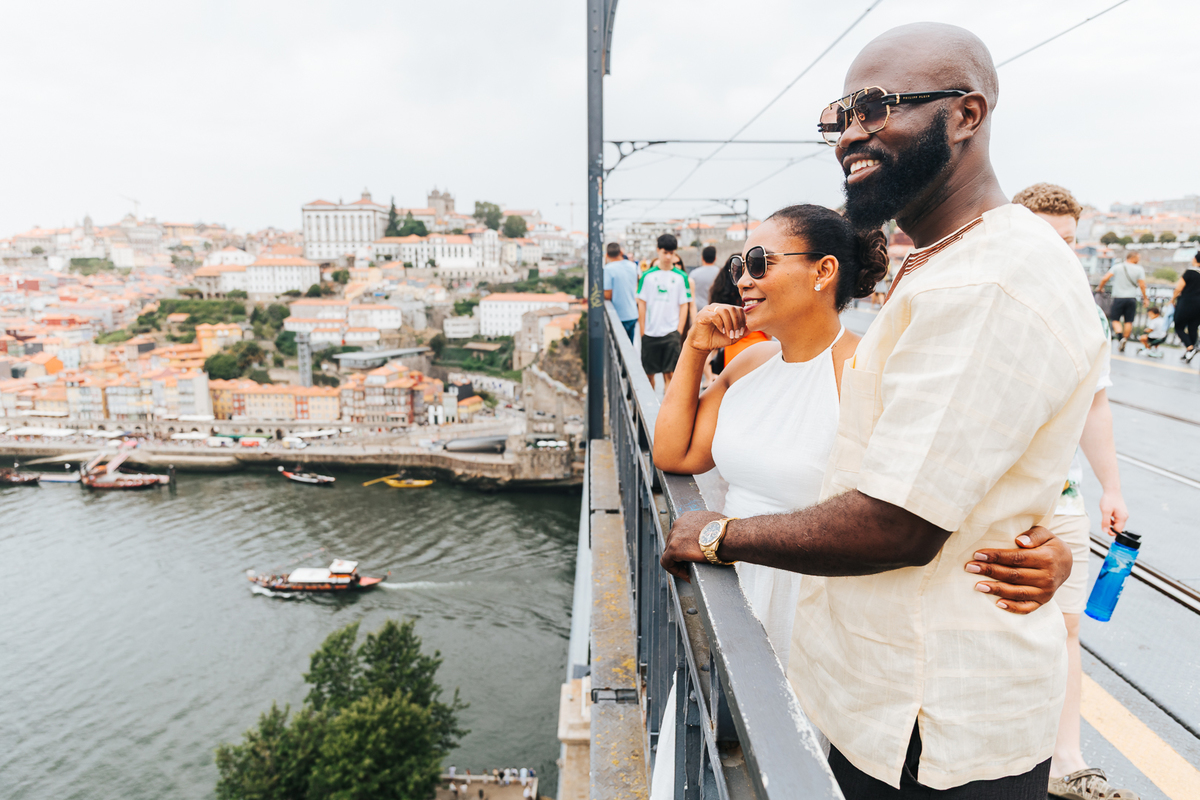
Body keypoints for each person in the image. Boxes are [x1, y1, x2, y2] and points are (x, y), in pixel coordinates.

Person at [661, 23, 1101, 798]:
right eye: (841, 118)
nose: (850, 136)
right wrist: (1055, 542)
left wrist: (719, 533)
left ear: (966, 114)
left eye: (875, 109)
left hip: (935, 728)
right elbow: (998, 461)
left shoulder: (984, 282)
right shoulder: (946, 266)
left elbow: (899, 518)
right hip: (886, 705)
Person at [1012, 182, 1138, 800]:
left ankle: (1066, 761)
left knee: (1065, 629)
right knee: (995, 623)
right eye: (1048, 240)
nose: (1062, 253)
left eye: (1069, 242)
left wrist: (1111, 488)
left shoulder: (1086, 312)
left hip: (1062, 498)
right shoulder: (996, 297)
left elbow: (1096, 407)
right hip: (997, 501)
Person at [637, 234, 690, 390]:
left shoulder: (681, 277)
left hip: (671, 333)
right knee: (648, 375)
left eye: (671, 253)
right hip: (650, 333)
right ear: (658, 251)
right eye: (665, 252)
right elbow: (642, 304)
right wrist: (642, 332)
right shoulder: (647, 276)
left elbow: (684, 305)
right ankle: (650, 409)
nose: (668, 257)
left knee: (671, 375)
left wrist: (678, 332)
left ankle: (666, 414)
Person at [1097, 251, 1148, 350]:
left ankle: (1120, 337)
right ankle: (1125, 339)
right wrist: (1145, 298)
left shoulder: (1117, 267)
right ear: (1132, 257)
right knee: (1128, 321)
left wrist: (1100, 288)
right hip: (1131, 298)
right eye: (1138, 258)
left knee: (1115, 319)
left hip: (1118, 297)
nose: (1139, 260)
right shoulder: (1139, 269)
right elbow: (1142, 285)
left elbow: (1105, 278)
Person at [603, 241, 640, 340]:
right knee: (628, 348)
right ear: (620, 252)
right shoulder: (633, 266)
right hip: (632, 313)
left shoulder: (608, 269)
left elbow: (607, 294)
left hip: (619, 315)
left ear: (607, 255)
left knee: (617, 350)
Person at [1170, 251, 1200, 362]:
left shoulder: (1190, 272)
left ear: (1196, 259)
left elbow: (1179, 288)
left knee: (1178, 326)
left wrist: (1172, 299)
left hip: (1187, 302)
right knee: (1193, 327)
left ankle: (1189, 347)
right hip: (1199, 306)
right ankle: (1190, 352)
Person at [690, 245, 720, 311]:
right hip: (715, 310)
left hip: (698, 310)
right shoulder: (720, 273)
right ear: (715, 258)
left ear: (702, 258)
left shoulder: (694, 274)